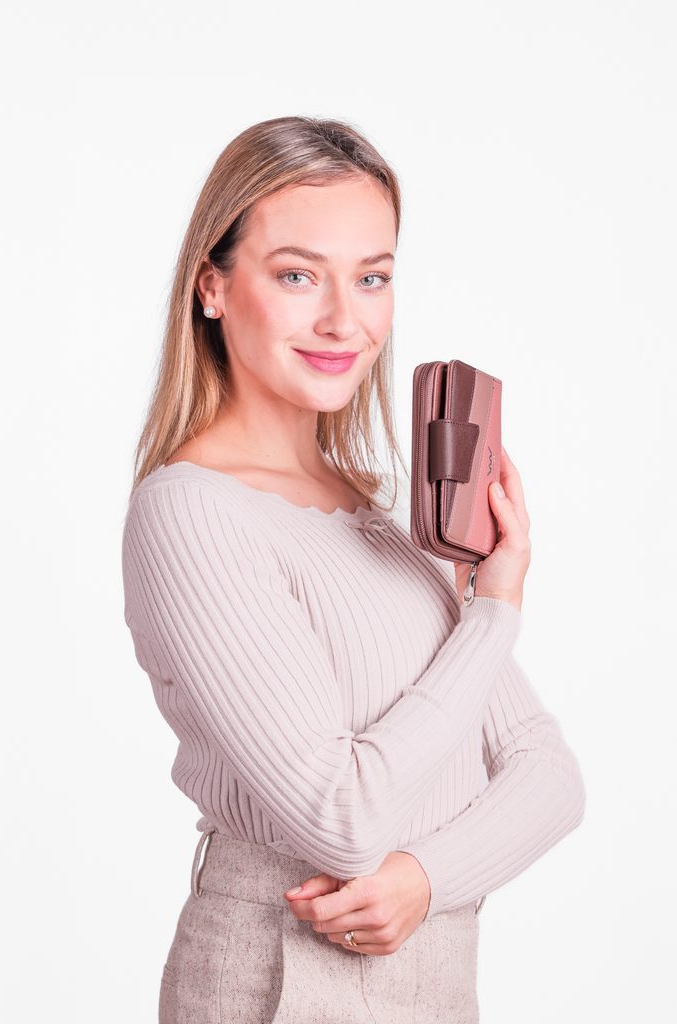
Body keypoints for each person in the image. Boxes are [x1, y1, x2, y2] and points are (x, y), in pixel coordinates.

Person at [121, 115, 586, 1024]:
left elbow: (549, 777)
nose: (345, 319)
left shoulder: (386, 522)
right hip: (279, 979)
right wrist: (492, 611)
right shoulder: (191, 512)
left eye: (372, 277)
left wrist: (424, 877)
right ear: (213, 287)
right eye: (298, 275)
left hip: (431, 985)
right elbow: (343, 819)